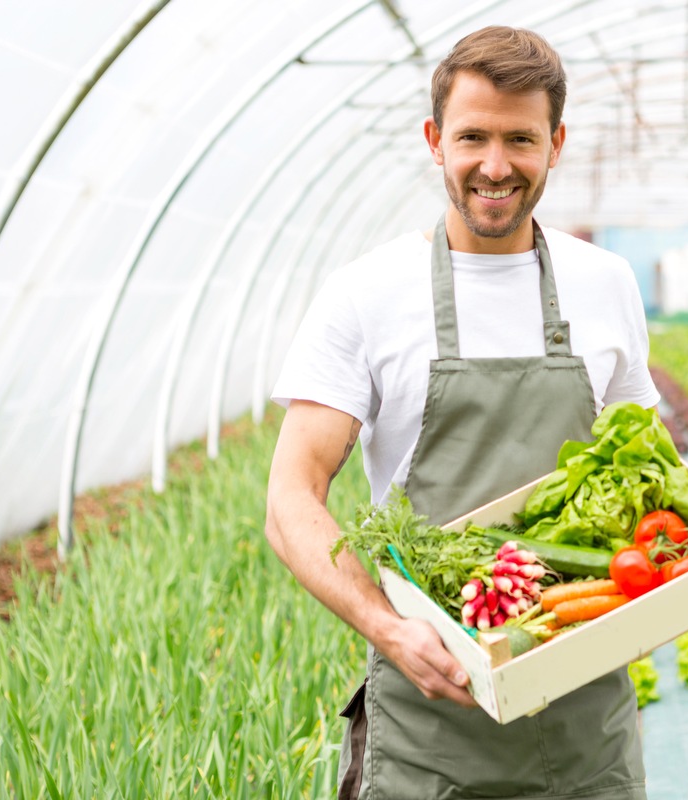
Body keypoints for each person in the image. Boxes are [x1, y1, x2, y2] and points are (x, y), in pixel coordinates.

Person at [264, 25, 658, 800]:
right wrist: (390, 630)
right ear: (435, 140)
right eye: (473, 136)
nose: (496, 165)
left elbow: (648, 466)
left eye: (521, 138)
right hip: (428, 721)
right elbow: (290, 500)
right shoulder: (368, 293)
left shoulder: (605, 283)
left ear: (557, 143)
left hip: (586, 725)